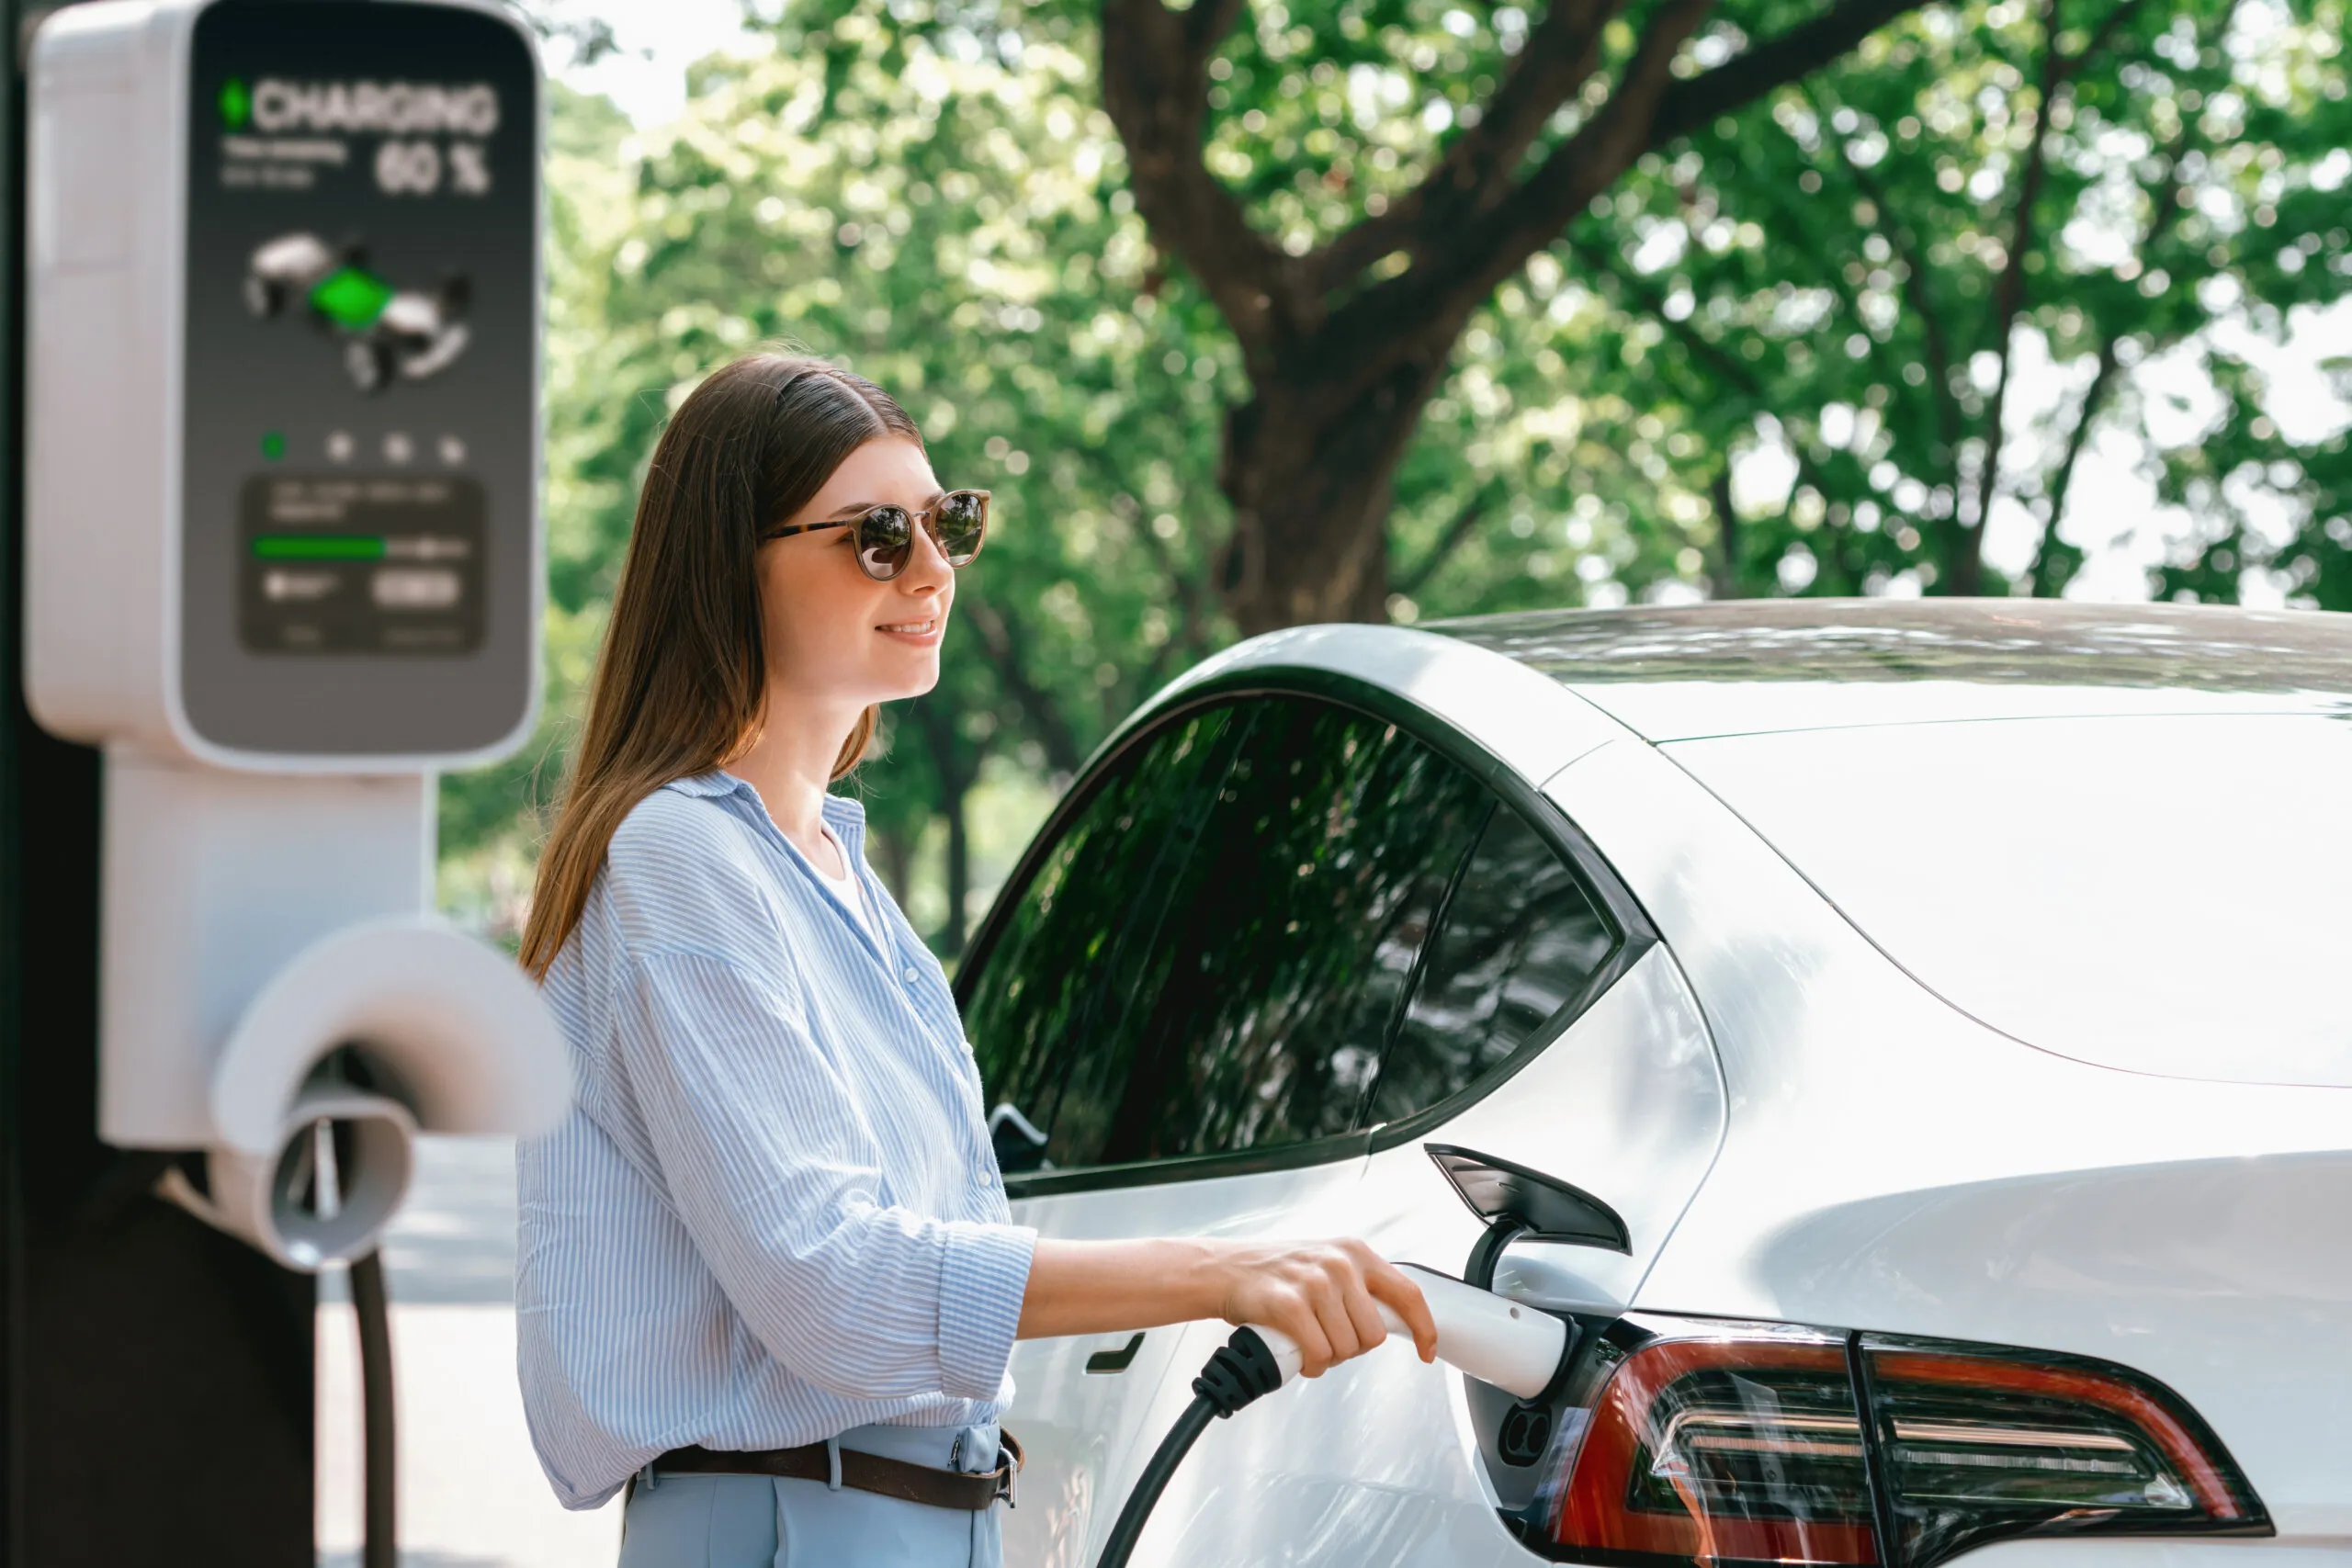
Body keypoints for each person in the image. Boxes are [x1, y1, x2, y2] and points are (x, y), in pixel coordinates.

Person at [514, 351, 1437, 1567]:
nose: (935, 570)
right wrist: (1219, 1269)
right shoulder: (681, 854)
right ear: (733, 564)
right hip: (797, 1518)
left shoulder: (833, 872)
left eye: (949, 524)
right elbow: (832, 1282)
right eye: (879, 536)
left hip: (909, 1515)